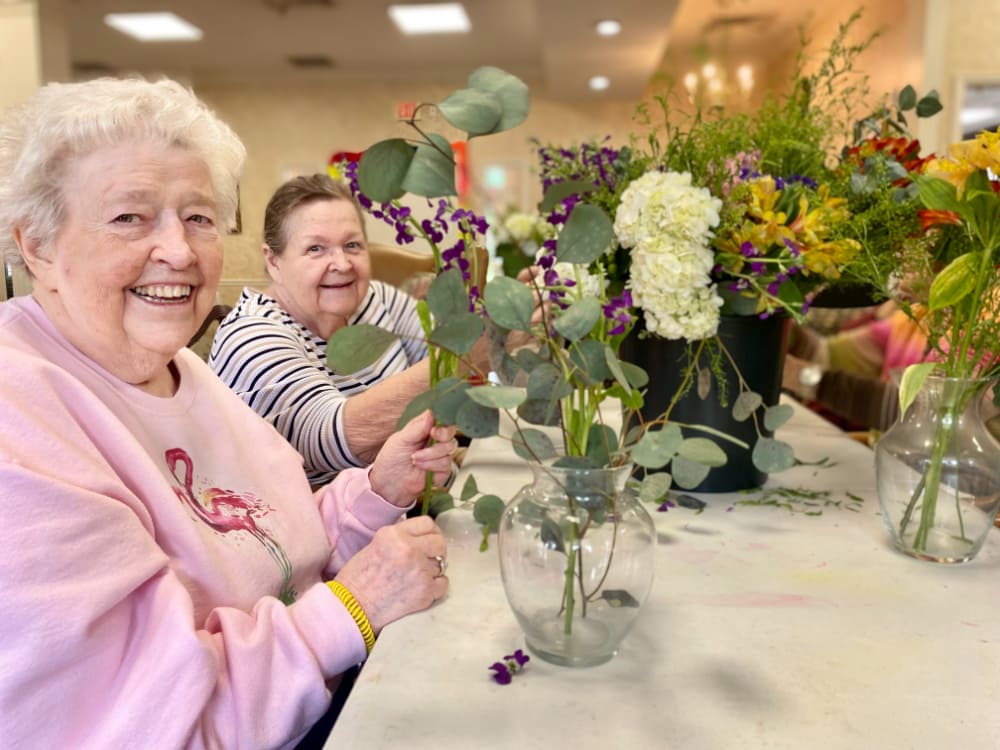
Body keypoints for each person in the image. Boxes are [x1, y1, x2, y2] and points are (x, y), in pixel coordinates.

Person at [0, 77, 457, 749]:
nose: (180, 252)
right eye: (130, 216)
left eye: (199, 217)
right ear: (37, 246)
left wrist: (373, 495)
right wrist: (354, 609)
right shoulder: (22, 426)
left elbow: (273, 549)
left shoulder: (182, 369)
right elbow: (161, 728)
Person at [209, 174, 492, 486]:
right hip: (334, 529)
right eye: (316, 248)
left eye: (352, 245)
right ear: (274, 261)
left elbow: (453, 373)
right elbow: (331, 440)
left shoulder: (375, 299)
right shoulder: (251, 336)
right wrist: (469, 349)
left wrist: (517, 324)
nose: (342, 263)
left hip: (424, 496)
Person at [782, 301, 930, 431]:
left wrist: (802, 377)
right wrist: (788, 332)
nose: (897, 275)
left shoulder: (949, 340)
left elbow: (920, 417)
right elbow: (827, 355)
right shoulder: (915, 318)